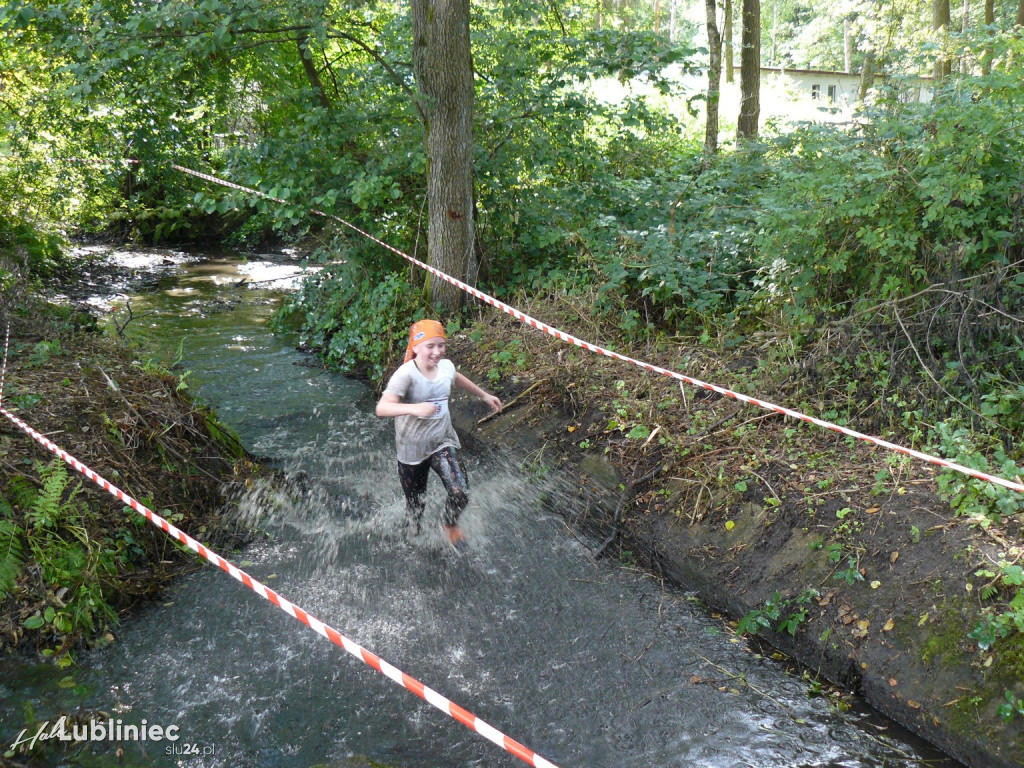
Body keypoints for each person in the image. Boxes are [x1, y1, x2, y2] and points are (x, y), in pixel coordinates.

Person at [376, 319, 502, 551]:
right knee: (415, 508)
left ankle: (449, 523)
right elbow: (382, 408)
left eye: (441, 345)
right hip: (411, 450)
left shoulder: (446, 366)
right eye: (430, 346)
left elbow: (455, 376)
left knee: (460, 491)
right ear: (415, 347)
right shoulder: (405, 375)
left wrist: (484, 395)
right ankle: (410, 547)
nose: (437, 352)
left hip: (441, 442)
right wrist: (413, 408)